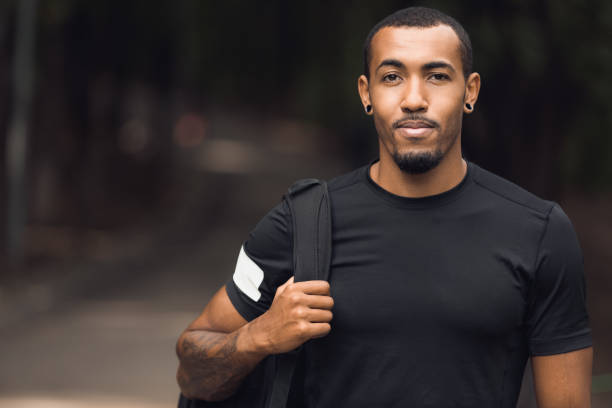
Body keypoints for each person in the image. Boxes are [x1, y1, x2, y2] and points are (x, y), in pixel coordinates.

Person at [176, 7, 593, 407]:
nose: (414, 98)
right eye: (392, 77)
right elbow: (192, 370)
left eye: (437, 76)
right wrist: (259, 336)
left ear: (470, 91)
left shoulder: (538, 232)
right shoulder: (301, 223)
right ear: (366, 93)